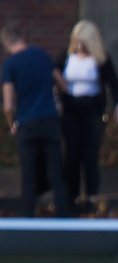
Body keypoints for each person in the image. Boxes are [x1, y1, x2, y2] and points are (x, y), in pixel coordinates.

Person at [53, 20, 118, 212]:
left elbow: (114, 83)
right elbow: (54, 78)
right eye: (77, 42)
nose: (80, 46)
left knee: (90, 154)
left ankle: (92, 195)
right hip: (71, 109)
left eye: (83, 42)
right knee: (72, 153)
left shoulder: (101, 59)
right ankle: (72, 195)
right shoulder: (66, 57)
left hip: (93, 109)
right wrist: (57, 101)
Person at [1, 23, 70, 217]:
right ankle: (64, 216)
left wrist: (12, 123)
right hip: (49, 120)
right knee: (56, 172)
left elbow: (7, 105)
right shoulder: (42, 55)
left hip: (26, 123)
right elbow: (63, 85)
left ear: (6, 44)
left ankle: (28, 218)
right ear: (24, 38)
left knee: (28, 174)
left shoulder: (10, 66)